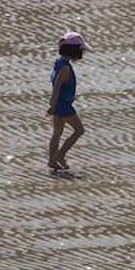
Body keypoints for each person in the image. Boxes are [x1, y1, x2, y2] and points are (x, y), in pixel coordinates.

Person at [48, 31, 90, 172]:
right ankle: (60, 155)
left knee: (57, 133)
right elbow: (57, 87)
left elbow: (59, 86)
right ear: (75, 51)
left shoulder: (59, 63)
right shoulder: (66, 68)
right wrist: (53, 106)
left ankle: (52, 160)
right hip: (63, 106)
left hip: (61, 103)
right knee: (79, 130)